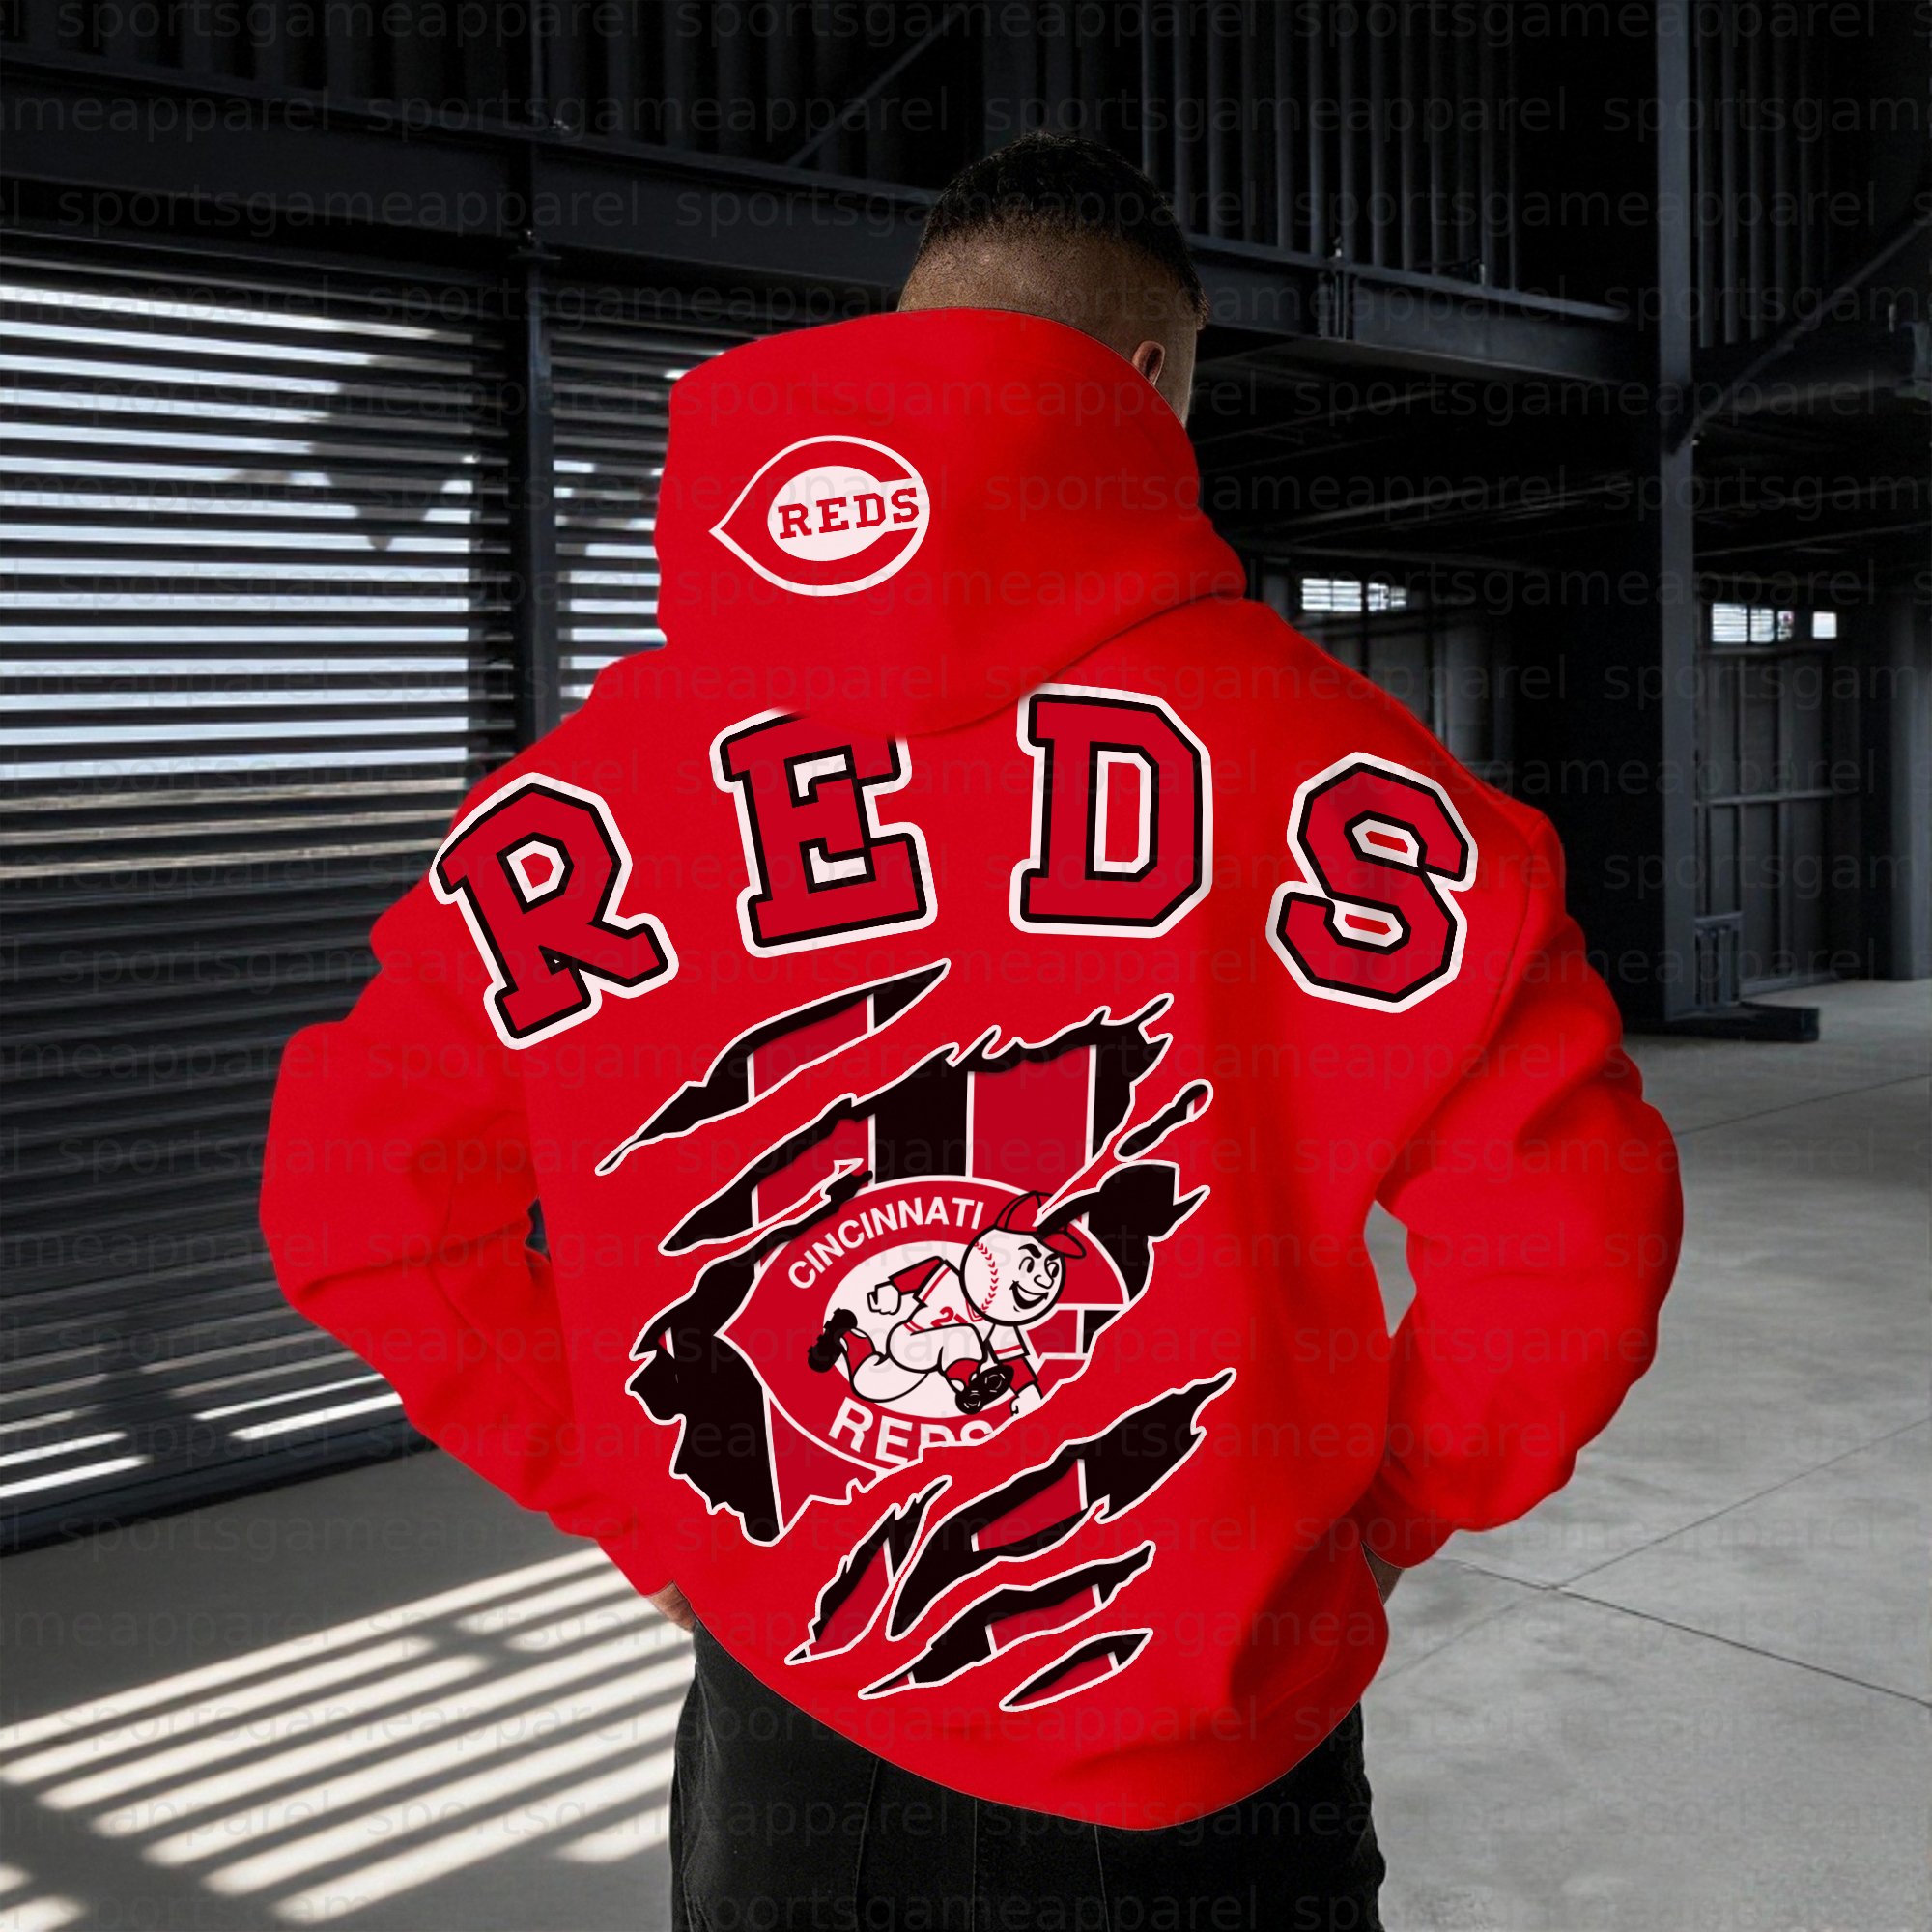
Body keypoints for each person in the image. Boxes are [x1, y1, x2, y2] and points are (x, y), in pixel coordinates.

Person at [262, 132, 1683, 1930]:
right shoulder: (1368, 785)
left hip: (798, 1755)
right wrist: (1392, 1510)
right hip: (1213, 1757)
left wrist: (644, 1497)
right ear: (1155, 373)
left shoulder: (588, 797)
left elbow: (362, 1211)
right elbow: (1576, 1248)